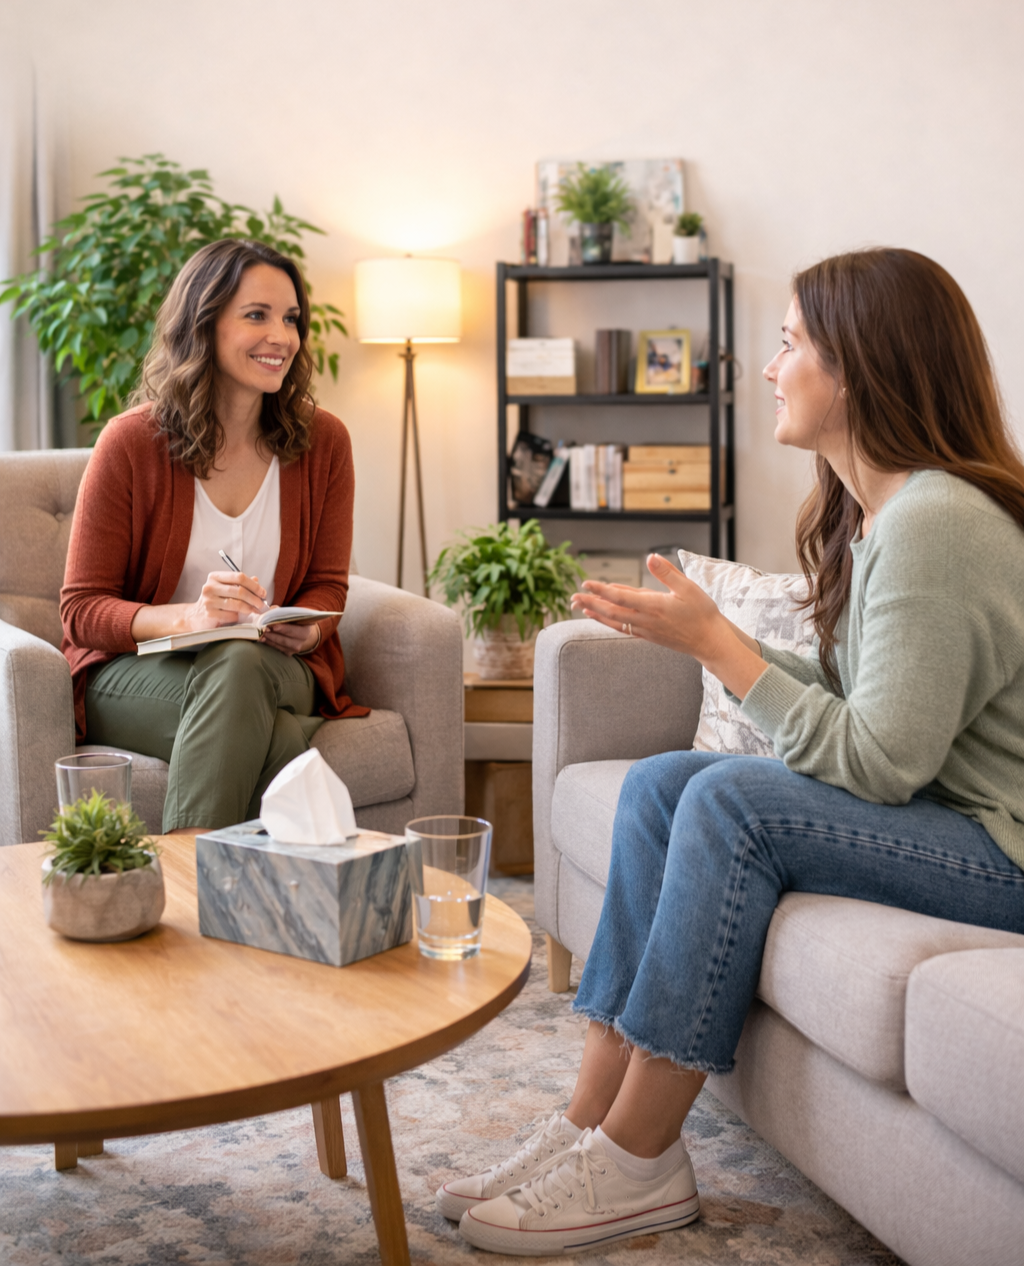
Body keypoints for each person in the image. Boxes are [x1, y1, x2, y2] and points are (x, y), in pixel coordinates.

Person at [438, 248, 1024, 1256]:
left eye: (790, 341)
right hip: (945, 820)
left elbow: (881, 762)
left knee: (731, 806)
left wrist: (721, 648)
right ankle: (587, 1123)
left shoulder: (936, 521)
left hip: (996, 854)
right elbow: (863, 708)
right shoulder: (881, 516)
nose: (768, 364)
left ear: (859, 365)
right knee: (668, 784)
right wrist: (723, 641)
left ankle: (637, 1162)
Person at [60, 238, 367, 835]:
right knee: (257, 710)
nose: (281, 335)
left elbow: (329, 585)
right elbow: (80, 611)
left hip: (276, 664)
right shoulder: (130, 444)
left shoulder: (325, 441)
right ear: (203, 323)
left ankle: (185, 884)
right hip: (139, 671)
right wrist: (190, 620)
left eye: (290, 318)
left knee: (239, 661)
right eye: (256, 315)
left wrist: (312, 629)